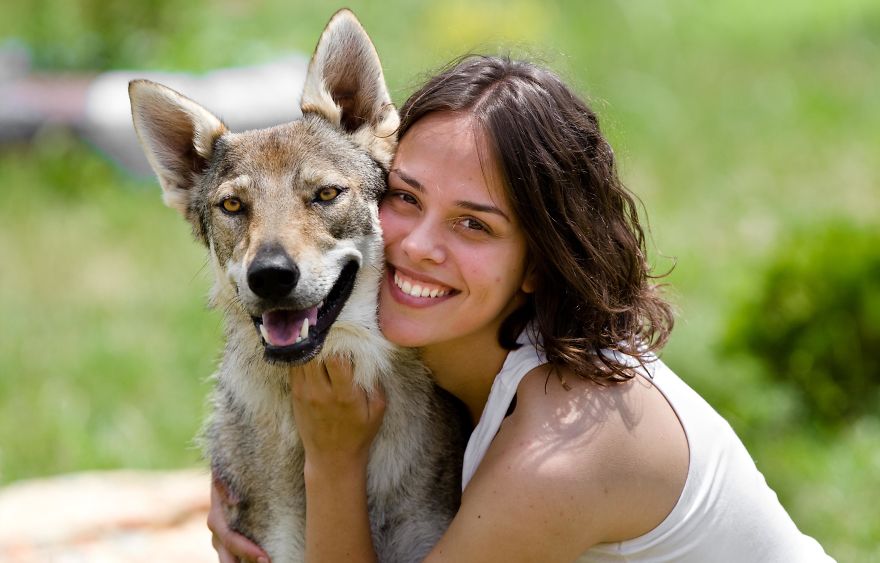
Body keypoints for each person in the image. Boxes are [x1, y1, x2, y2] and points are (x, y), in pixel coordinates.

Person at [208, 55, 834, 562]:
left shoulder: (565, 449)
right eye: (405, 197)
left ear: (539, 262)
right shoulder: (458, 368)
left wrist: (332, 462)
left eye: (473, 226)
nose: (419, 246)